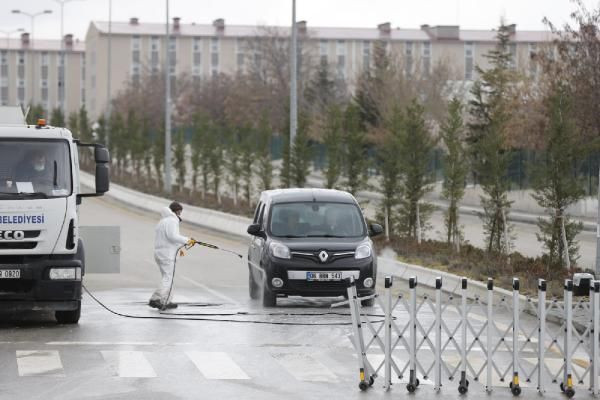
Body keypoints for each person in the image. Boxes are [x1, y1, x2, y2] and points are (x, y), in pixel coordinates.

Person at [149, 201, 195, 309]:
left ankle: (166, 301)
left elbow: (167, 239)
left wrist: (179, 249)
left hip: (160, 253)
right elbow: (172, 236)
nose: (180, 214)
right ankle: (155, 299)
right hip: (167, 255)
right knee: (168, 278)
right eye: (179, 211)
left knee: (168, 277)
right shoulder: (172, 220)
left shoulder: (162, 221)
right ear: (176, 211)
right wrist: (188, 240)